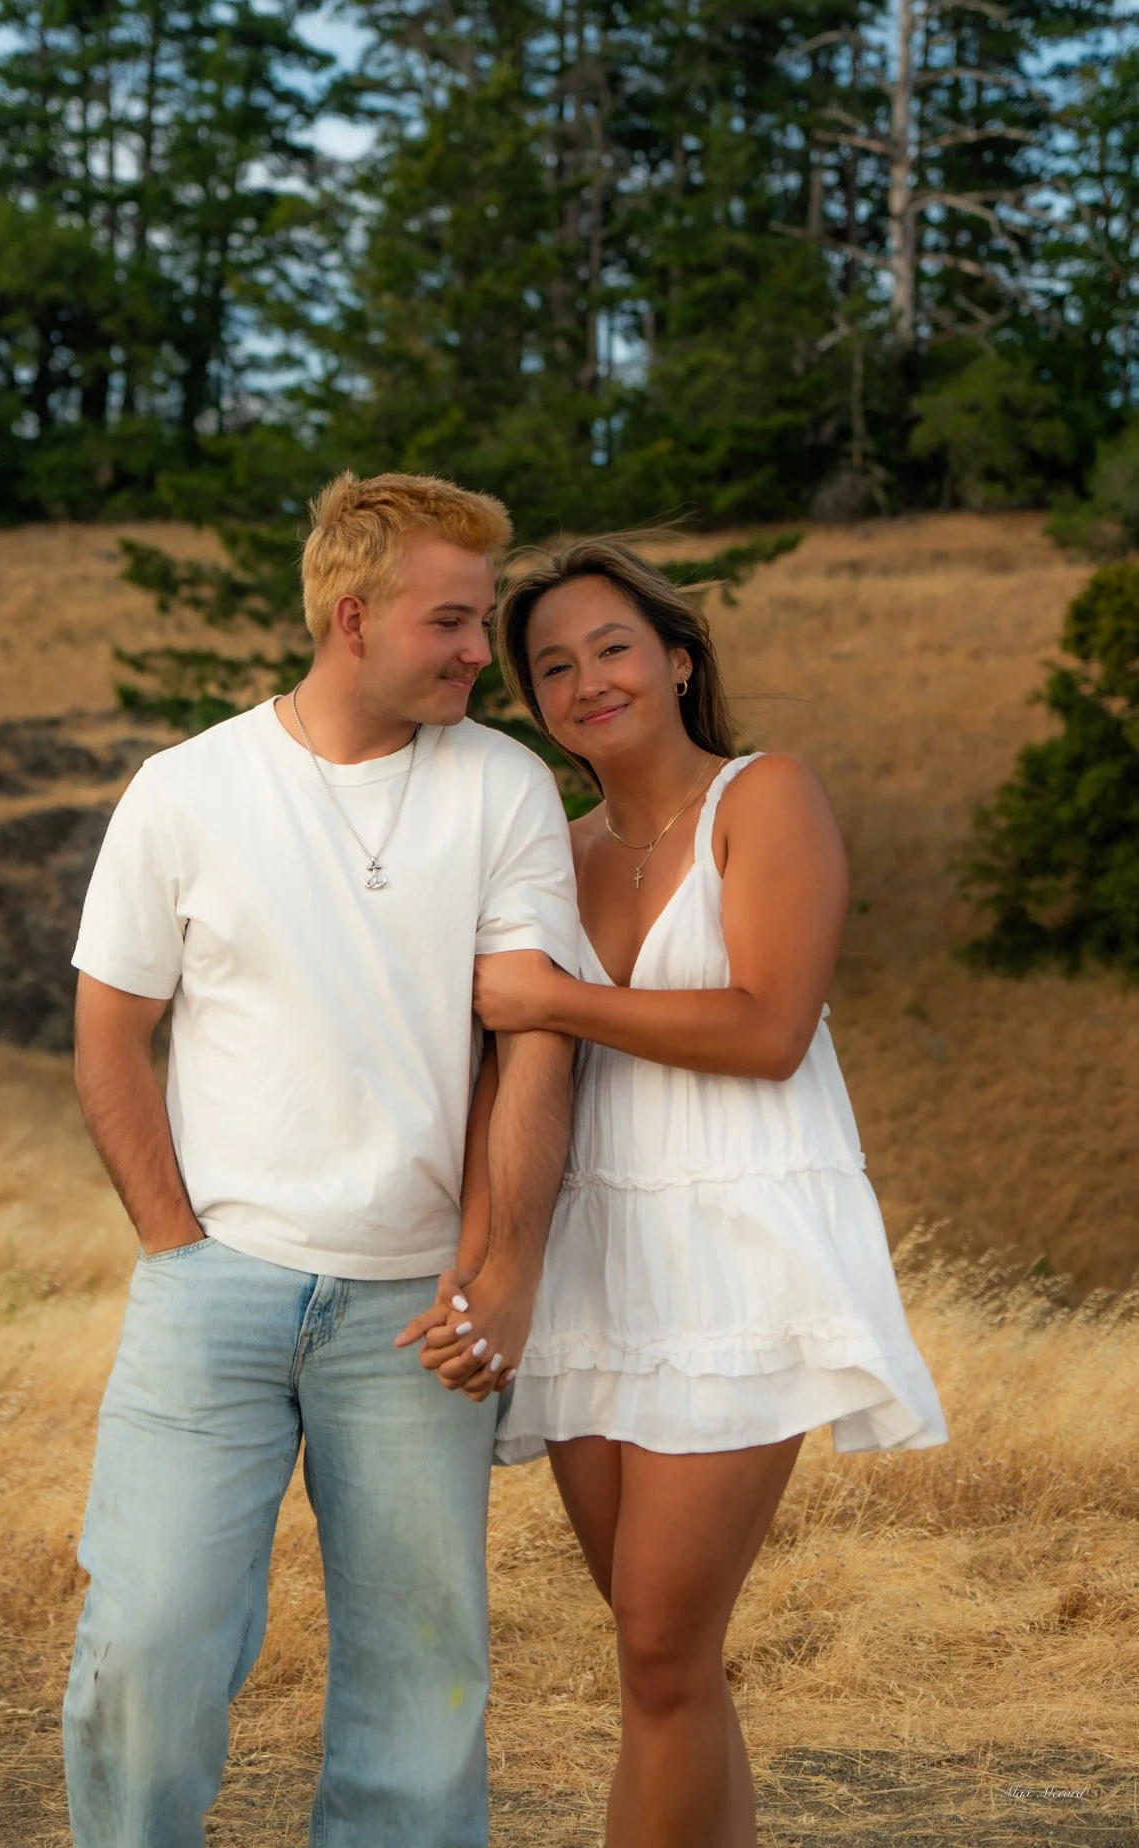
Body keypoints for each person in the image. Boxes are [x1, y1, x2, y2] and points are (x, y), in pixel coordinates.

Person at [61, 471, 579, 1848]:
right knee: (147, 1653)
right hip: (213, 1291)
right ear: (353, 616)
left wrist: (504, 1267)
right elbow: (109, 1034)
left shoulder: (505, 788)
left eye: (483, 618)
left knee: (421, 1699)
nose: (484, 649)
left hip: (421, 1305)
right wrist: (177, 1244)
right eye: (454, 620)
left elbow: (534, 1038)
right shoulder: (188, 790)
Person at [426, 535, 947, 1848]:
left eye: (610, 648)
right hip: (592, 1253)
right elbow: (512, 1068)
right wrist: (489, 1256)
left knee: (661, 1651)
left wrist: (555, 994)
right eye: (551, 667)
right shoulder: (557, 850)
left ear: (673, 657)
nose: (586, 681)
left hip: (730, 1242)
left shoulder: (765, 797)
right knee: (660, 1662)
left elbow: (768, 1027)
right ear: (535, 705)